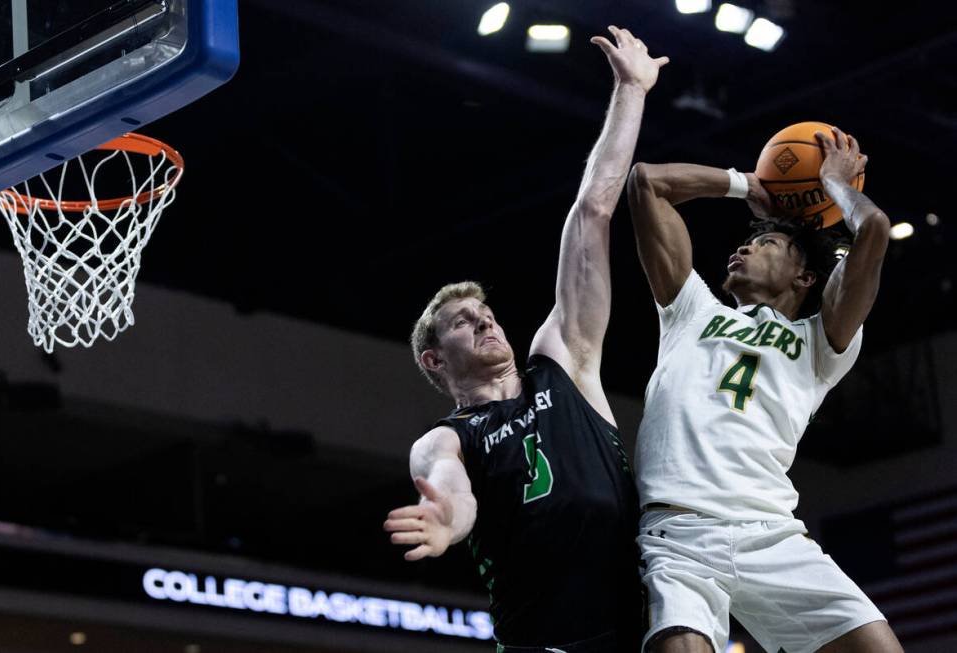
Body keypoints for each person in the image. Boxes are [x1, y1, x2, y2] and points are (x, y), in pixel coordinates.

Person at [382, 26, 668, 653]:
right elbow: (453, 492)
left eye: (485, 312)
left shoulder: (564, 360)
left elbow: (592, 210)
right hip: (547, 642)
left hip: (642, 623)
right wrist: (444, 522)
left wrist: (631, 91)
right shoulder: (446, 438)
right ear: (434, 358)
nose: (484, 321)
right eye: (463, 320)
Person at [625, 129, 905, 653]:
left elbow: (875, 230)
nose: (743, 247)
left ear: (804, 277)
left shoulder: (822, 341)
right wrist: (744, 184)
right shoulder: (692, 312)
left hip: (771, 531)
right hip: (679, 534)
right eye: (748, 241)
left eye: (766, 243)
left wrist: (833, 183)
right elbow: (646, 183)